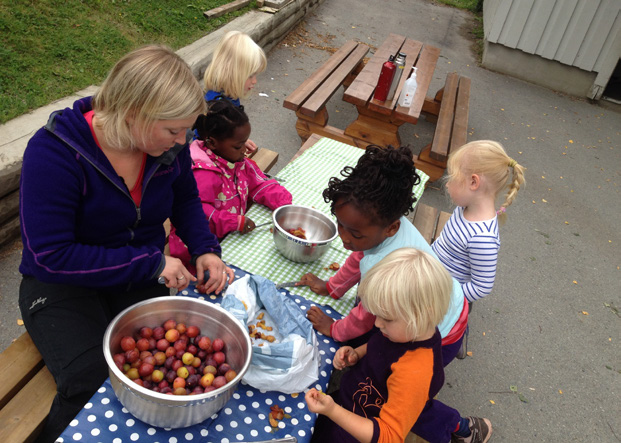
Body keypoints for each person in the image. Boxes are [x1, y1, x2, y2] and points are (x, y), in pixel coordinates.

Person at [18, 45, 234, 443]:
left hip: (136, 272)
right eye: (173, 130)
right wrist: (152, 264)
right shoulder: (55, 153)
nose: (182, 142)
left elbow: (185, 197)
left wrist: (205, 248)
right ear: (132, 113)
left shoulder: (168, 147)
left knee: (163, 364)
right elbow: (50, 256)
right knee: (89, 382)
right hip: (63, 285)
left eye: (187, 130)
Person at [299, 145, 468, 364]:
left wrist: (334, 329)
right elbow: (359, 256)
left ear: (391, 228)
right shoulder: (384, 227)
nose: (344, 238)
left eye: (356, 234)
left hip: (441, 332)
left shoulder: (382, 265)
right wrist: (332, 287)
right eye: (340, 224)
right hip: (450, 300)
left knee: (390, 375)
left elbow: (364, 316)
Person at [306, 248, 454, 442]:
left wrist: (333, 411)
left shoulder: (415, 372)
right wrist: (358, 353)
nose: (377, 324)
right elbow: (383, 346)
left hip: (359, 432)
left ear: (421, 315)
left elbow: (389, 436)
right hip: (349, 402)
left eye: (386, 319)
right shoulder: (404, 331)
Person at [168, 99, 292, 274]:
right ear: (211, 143)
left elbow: (259, 184)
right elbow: (199, 215)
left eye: (245, 142)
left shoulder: (238, 162)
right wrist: (234, 221)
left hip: (229, 236)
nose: (245, 150)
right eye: (238, 146)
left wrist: (284, 205)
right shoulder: (203, 173)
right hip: (198, 251)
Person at [432, 140, 525, 358]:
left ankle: (456, 333)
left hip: (444, 294)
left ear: (474, 182)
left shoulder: (482, 238)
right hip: (436, 277)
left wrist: (448, 295)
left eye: (451, 178)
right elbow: (448, 242)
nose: (446, 184)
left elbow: (482, 286)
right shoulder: (465, 207)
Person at [202, 30, 267, 154]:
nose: (255, 81)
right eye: (251, 76)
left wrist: (239, 140)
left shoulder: (230, 96)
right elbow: (204, 146)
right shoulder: (215, 108)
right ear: (233, 73)